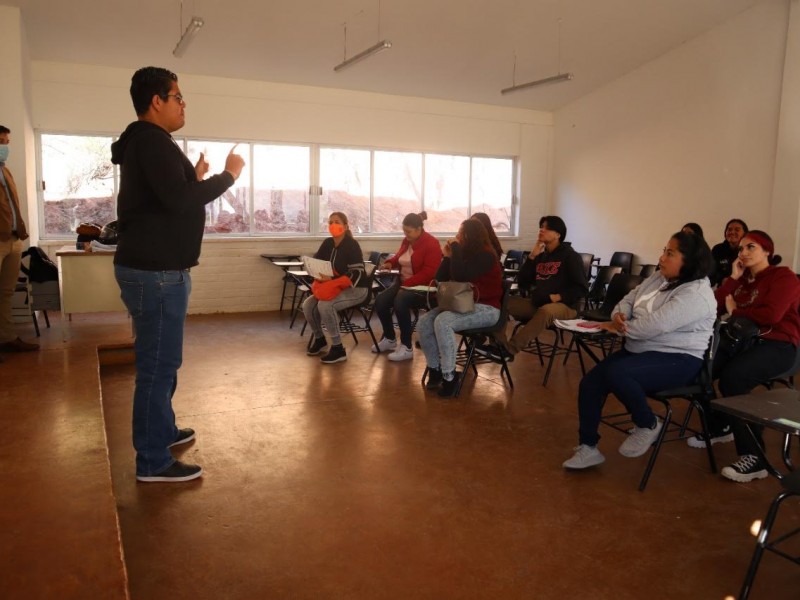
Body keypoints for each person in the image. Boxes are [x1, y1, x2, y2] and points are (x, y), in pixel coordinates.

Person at [111, 67, 245, 483]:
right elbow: (179, 200)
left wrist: (197, 176)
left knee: (164, 362)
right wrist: (228, 175)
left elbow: (170, 196)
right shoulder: (151, 142)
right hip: (156, 274)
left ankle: (162, 431)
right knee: (157, 365)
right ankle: (152, 461)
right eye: (178, 96)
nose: (184, 103)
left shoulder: (150, 143)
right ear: (157, 101)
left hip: (158, 272)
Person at [563, 231, 716, 470]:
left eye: (670, 253)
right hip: (640, 351)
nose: (662, 257)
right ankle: (588, 447)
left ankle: (648, 424)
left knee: (617, 373)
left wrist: (619, 328)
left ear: (690, 261)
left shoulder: (696, 294)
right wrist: (618, 316)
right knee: (590, 384)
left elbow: (656, 325)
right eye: (664, 250)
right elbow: (628, 299)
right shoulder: (658, 277)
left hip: (679, 359)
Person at [688, 230, 800, 483]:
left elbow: (771, 315)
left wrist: (736, 310)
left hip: (779, 345)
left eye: (751, 247)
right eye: (740, 249)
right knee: (698, 371)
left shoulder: (784, 277)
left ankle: (755, 457)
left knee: (733, 379)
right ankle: (721, 425)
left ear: (767, 251)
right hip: (741, 341)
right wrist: (733, 278)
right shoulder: (742, 280)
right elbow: (713, 306)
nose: (744, 252)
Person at [418, 219, 503, 398]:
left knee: (443, 322)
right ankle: (435, 369)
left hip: (487, 309)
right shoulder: (463, 255)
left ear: (470, 236)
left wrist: (455, 249)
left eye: (460, 233)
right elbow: (439, 278)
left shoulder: (486, 255)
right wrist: (447, 256)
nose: (457, 236)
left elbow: (461, 275)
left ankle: (450, 376)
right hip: (462, 304)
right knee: (425, 321)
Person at [497, 216, 588, 355]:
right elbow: (522, 282)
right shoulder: (541, 256)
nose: (541, 230)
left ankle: (510, 349)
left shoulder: (571, 256)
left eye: (547, 228)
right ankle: (498, 345)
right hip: (540, 303)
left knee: (547, 311)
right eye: (541, 227)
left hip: (566, 307)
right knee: (504, 303)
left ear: (558, 234)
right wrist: (532, 256)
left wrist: (556, 297)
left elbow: (581, 288)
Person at [372, 211, 442, 361]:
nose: (406, 234)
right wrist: (390, 263)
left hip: (424, 288)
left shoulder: (432, 244)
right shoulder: (407, 241)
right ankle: (390, 339)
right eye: (404, 231)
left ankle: (406, 346)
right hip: (404, 284)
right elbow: (399, 256)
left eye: (408, 231)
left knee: (400, 300)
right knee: (381, 301)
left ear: (419, 229)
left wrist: (407, 284)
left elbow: (429, 273)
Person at [303, 212, 369, 364]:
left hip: (357, 289)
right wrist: (313, 271)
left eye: (337, 222)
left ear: (345, 226)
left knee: (325, 305)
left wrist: (332, 278)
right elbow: (318, 263)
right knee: (308, 305)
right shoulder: (327, 243)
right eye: (330, 222)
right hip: (333, 287)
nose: (333, 225)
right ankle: (320, 339)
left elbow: (357, 273)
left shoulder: (352, 245)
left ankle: (338, 348)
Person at [0, 125, 40, 358]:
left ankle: (6, 338)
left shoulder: (5, 171)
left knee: (5, 292)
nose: (5, 146)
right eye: (1, 141)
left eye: (6, 142)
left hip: (13, 239)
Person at [710, 218, 748, 287]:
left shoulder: (748, 250)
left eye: (737, 230)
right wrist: (722, 279)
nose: (732, 232)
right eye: (729, 229)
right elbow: (711, 272)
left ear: (745, 233)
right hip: (722, 287)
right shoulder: (718, 249)